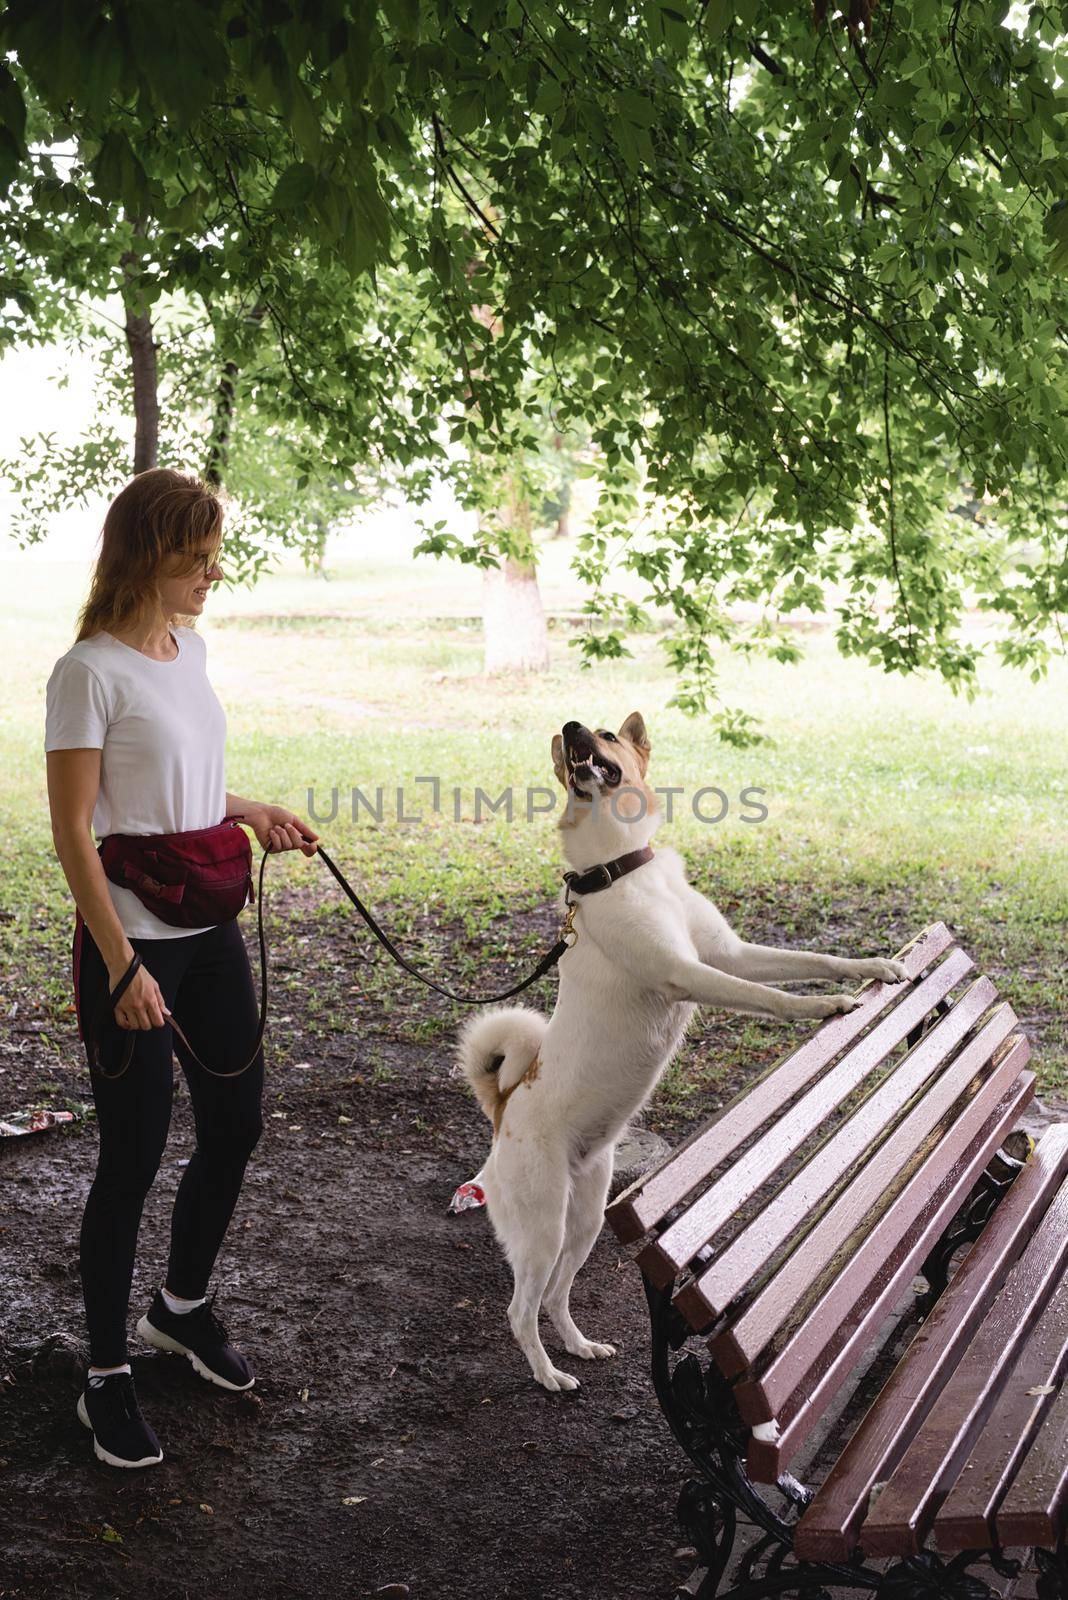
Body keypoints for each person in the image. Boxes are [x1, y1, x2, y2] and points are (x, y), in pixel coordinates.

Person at [44, 468, 318, 1469]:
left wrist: (245, 810)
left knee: (237, 1123)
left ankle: (183, 1305)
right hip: (130, 948)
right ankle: (106, 1373)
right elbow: (75, 830)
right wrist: (119, 967)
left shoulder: (186, 649)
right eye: (195, 553)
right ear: (146, 553)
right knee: (133, 1154)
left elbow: (173, 779)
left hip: (207, 934)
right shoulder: (89, 670)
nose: (212, 570)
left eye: (213, 552)